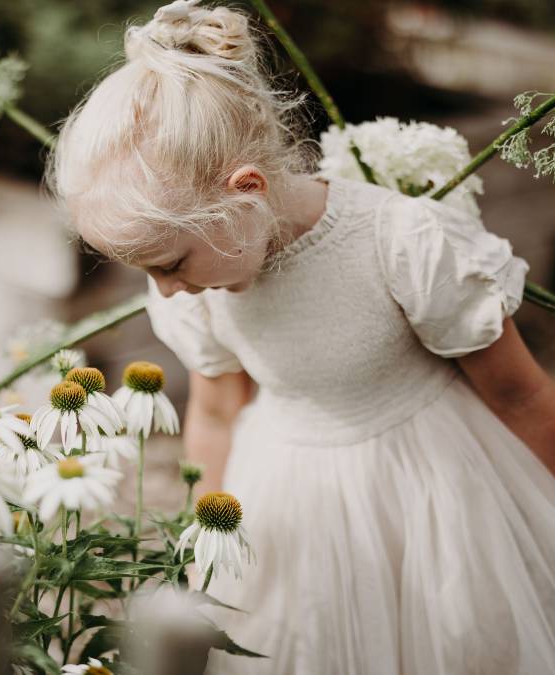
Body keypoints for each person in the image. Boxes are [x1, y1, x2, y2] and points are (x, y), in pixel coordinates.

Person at [45, 1, 555, 673]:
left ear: (247, 193)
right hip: (282, 500)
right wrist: (209, 547)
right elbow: (220, 408)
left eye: (169, 264)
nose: (163, 291)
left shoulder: (399, 244)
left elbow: (519, 394)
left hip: (432, 496)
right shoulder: (203, 292)